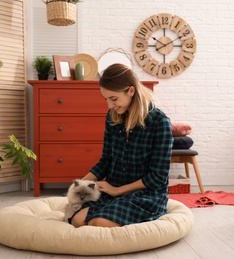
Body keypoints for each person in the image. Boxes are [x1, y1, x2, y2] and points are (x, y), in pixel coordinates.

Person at [70, 63, 173, 228]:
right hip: (113, 190)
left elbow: (158, 177)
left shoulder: (160, 122)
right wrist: (79, 184)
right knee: (77, 220)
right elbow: (106, 161)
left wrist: (118, 190)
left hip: (145, 195)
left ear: (131, 91)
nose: (110, 106)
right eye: (106, 99)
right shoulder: (112, 118)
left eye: (114, 99)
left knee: (99, 222)